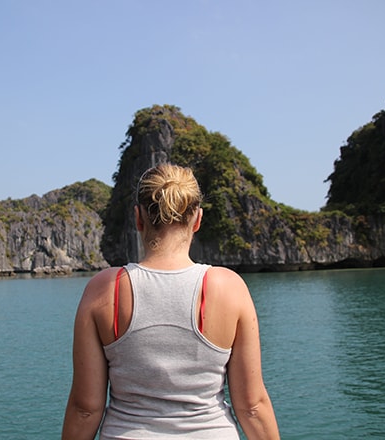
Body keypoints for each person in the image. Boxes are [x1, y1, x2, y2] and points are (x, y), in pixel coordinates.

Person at [62, 163, 279, 439]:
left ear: (138, 218)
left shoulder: (104, 290)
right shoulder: (230, 288)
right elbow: (252, 406)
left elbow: (85, 408)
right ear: (198, 220)